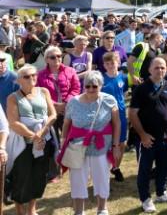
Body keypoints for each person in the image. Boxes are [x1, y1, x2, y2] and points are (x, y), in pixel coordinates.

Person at [59, 70, 121, 215]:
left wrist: (116, 145)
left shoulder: (109, 100)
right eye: (87, 86)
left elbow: (117, 124)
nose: (91, 89)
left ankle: (102, 208)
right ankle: (79, 211)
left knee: (102, 178)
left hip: (101, 146)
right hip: (78, 147)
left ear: (101, 85)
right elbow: (66, 123)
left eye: (94, 86)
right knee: (77, 179)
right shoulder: (74, 102)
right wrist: (63, 141)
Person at [129, 57, 167, 213]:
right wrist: (143, 135)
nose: (160, 70)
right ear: (149, 69)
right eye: (157, 68)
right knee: (145, 170)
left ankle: (161, 193)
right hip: (147, 140)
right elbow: (132, 114)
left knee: (164, 166)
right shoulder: (141, 89)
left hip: (165, 137)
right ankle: (145, 199)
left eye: (163, 67)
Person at [6, 64, 57, 215]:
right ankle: (20, 210)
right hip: (23, 144)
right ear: (19, 80)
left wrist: (41, 133)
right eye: (27, 76)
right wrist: (34, 136)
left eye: (34, 74)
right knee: (21, 177)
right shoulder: (13, 98)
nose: (32, 78)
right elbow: (13, 123)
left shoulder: (44, 91)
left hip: (43, 141)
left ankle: (32, 209)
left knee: (39, 176)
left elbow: (53, 114)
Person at [36, 45, 80, 144]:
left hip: (68, 109)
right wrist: (54, 105)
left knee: (70, 138)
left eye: (59, 56)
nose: (57, 58)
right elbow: (39, 92)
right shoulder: (40, 75)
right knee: (52, 140)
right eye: (53, 57)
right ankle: (54, 158)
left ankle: (69, 158)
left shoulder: (71, 71)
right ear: (46, 59)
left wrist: (65, 103)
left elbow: (76, 89)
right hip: (50, 111)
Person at [101, 51, 129, 182]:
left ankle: (116, 167)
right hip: (106, 116)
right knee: (108, 143)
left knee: (122, 143)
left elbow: (124, 93)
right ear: (104, 65)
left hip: (121, 114)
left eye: (113, 62)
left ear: (117, 63)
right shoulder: (101, 79)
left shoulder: (123, 77)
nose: (111, 65)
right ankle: (104, 171)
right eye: (107, 63)